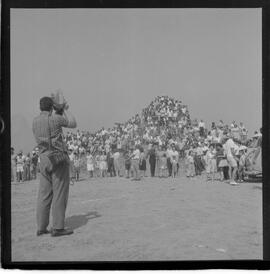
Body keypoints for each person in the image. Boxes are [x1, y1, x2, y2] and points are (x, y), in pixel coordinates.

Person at [32, 96, 76, 237]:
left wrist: (56, 110)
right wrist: (64, 109)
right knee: (60, 193)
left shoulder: (35, 121)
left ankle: (41, 227)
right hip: (57, 158)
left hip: (43, 158)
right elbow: (73, 123)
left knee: (44, 195)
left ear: (40, 107)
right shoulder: (56, 119)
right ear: (51, 107)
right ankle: (57, 227)